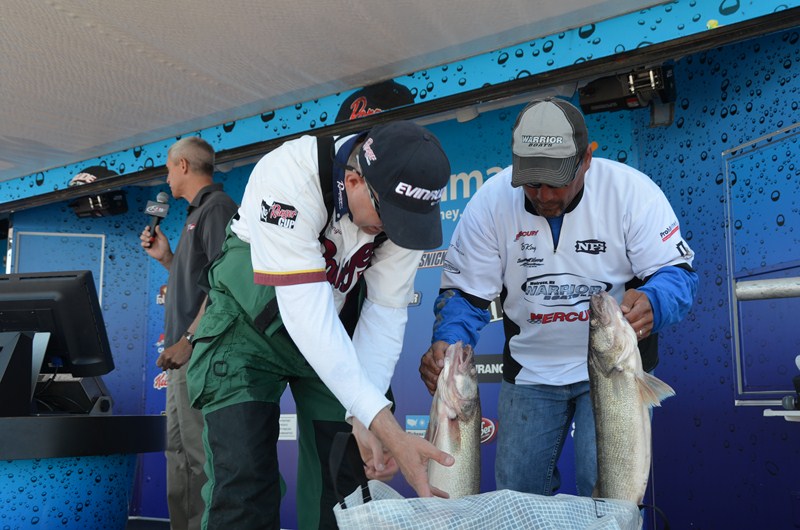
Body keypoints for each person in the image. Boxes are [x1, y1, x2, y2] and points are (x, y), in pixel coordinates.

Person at [419, 97, 698, 498]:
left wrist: (655, 301)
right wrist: (447, 343)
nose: (545, 195)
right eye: (532, 183)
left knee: (608, 498)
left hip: (613, 370)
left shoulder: (631, 192)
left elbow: (677, 275)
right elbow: (466, 295)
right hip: (530, 372)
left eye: (557, 181)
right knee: (518, 498)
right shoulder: (489, 203)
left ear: (586, 159)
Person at [185, 120, 455, 529]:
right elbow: (305, 315)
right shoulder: (289, 175)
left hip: (330, 331)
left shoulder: (401, 213)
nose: (394, 230)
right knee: (243, 484)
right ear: (354, 180)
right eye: (390, 217)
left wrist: (364, 419)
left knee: (344, 486)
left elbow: (385, 311)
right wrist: (387, 427)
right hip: (248, 330)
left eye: (408, 221)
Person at [139, 137, 238, 530]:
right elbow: (199, 282)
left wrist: (190, 340)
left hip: (199, 356)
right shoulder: (196, 213)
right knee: (178, 455)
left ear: (182, 165)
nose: (166, 177)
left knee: (199, 458)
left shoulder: (217, 208)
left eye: (168, 168)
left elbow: (225, 284)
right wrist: (166, 257)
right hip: (182, 358)